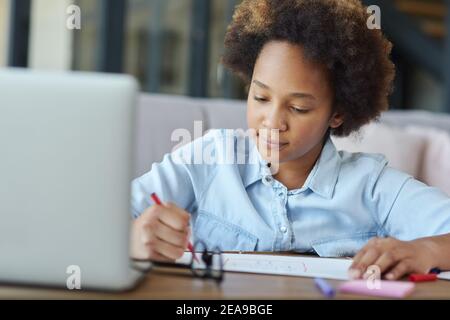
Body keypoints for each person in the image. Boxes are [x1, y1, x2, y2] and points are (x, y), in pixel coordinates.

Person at [130, 0, 450, 280]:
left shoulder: (372, 186)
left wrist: (425, 251)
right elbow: (103, 218)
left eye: (298, 108)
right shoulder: (207, 159)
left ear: (336, 113)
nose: (272, 122)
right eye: (260, 97)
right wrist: (133, 237)